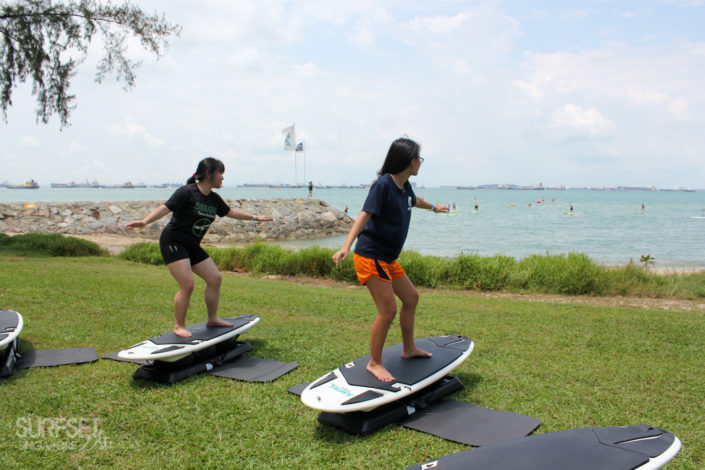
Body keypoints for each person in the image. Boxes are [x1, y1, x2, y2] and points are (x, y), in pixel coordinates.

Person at [332, 137, 448, 382]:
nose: (420, 163)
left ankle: (408, 349)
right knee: (388, 309)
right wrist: (345, 247)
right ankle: (374, 363)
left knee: (411, 298)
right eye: (418, 158)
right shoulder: (384, 185)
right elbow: (363, 216)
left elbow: (415, 201)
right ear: (408, 160)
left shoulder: (404, 186)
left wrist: (434, 207)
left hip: (387, 258)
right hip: (370, 256)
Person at [126, 157, 273, 338]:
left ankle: (212, 319)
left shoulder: (214, 199)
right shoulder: (187, 192)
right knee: (187, 284)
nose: (223, 178)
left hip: (192, 245)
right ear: (209, 174)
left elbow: (230, 212)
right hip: (173, 242)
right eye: (221, 173)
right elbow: (165, 208)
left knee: (215, 279)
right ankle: (179, 325)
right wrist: (144, 221)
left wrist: (256, 217)